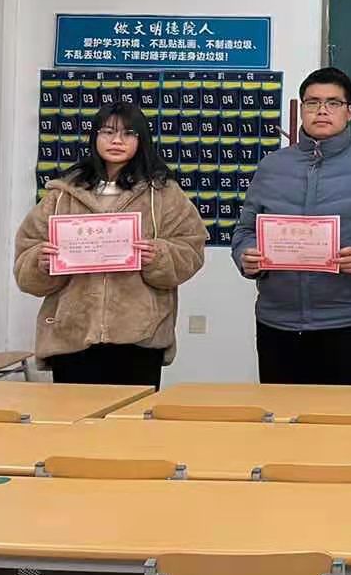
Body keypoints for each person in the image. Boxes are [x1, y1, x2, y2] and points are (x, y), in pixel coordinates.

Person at [233, 67, 351, 385]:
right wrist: (246, 255)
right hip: (277, 323)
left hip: (349, 321)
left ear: (350, 112)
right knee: (283, 415)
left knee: (347, 416)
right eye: (312, 102)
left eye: (333, 103)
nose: (321, 110)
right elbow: (244, 231)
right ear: (302, 108)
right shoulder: (272, 167)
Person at [13, 102, 207, 389]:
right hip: (72, 336)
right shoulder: (62, 195)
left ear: (141, 140)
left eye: (128, 133)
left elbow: (191, 248)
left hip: (139, 337)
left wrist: (158, 256)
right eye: (107, 132)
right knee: (75, 417)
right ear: (94, 137)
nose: (117, 141)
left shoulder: (163, 194)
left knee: (131, 417)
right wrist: (40, 262)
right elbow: (26, 255)